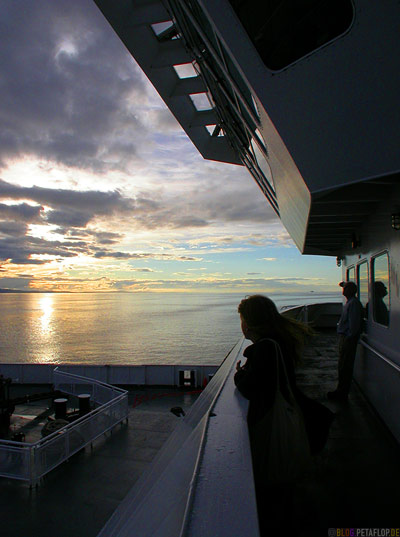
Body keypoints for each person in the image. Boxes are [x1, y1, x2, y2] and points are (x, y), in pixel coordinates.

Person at [234, 294, 314, 535]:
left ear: (249, 322)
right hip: (282, 415)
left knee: (272, 495)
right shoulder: (278, 343)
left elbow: (250, 386)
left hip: (270, 426)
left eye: (242, 319)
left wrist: (239, 373)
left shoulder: (265, 349)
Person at [327, 281, 364, 401]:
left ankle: (342, 393)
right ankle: (340, 390)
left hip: (348, 340)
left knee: (345, 366)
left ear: (350, 290)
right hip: (345, 338)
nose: (343, 290)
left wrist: (348, 338)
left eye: (345, 288)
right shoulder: (351, 302)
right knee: (342, 365)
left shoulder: (353, 304)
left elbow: (354, 326)